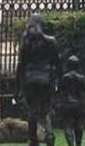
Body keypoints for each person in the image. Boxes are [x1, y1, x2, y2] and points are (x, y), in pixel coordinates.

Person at [16, 13, 61, 146]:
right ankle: (50, 136)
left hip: (30, 80)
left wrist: (17, 86)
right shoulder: (51, 41)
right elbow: (57, 63)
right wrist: (59, 80)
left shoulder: (26, 43)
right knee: (46, 110)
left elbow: (21, 66)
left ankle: (33, 140)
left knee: (32, 110)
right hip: (46, 79)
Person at [55, 56, 85, 146]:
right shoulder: (81, 78)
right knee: (79, 125)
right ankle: (78, 144)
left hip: (66, 104)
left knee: (67, 125)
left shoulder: (65, 77)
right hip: (78, 104)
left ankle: (71, 144)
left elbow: (58, 91)